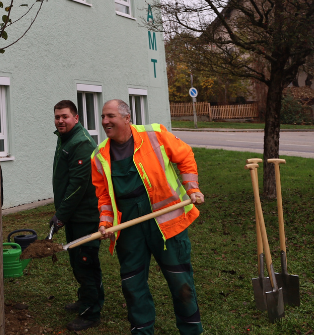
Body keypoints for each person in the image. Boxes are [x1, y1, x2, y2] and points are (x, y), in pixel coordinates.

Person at [93, 100, 205, 335]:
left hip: (166, 222)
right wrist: (106, 222)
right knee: (133, 284)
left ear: (127, 117)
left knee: (180, 282)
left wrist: (192, 188)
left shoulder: (155, 135)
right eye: (103, 117)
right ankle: (142, 331)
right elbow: (103, 196)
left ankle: (191, 331)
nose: (105, 121)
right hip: (129, 227)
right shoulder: (99, 156)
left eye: (110, 116)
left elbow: (185, 156)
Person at [51, 100, 104, 332]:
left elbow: (78, 186)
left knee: (85, 262)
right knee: (78, 259)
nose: (60, 120)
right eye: (57, 117)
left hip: (85, 216)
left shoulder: (81, 143)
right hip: (74, 215)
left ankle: (91, 312)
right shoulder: (66, 138)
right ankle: (86, 299)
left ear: (76, 117)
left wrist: (60, 215)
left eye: (64, 116)